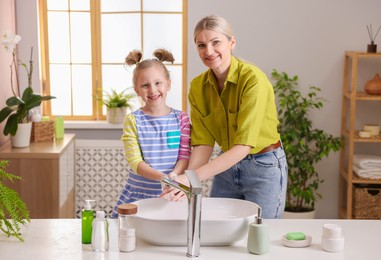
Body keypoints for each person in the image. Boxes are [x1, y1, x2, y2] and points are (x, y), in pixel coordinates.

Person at [170, 15, 288, 219]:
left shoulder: (253, 80)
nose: (209, 51)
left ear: (231, 42)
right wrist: (184, 181)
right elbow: (203, 145)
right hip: (226, 166)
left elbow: (244, 146)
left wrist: (192, 178)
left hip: (264, 167)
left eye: (216, 42)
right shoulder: (198, 87)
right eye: (201, 45)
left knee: (261, 235)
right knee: (217, 229)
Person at [111, 49, 191, 218]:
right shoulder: (132, 121)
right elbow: (135, 162)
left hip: (173, 193)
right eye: (145, 85)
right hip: (139, 196)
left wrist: (174, 178)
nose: (153, 90)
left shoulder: (182, 119)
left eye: (158, 83)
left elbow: (184, 156)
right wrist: (163, 178)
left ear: (168, 84)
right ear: (137, 90)